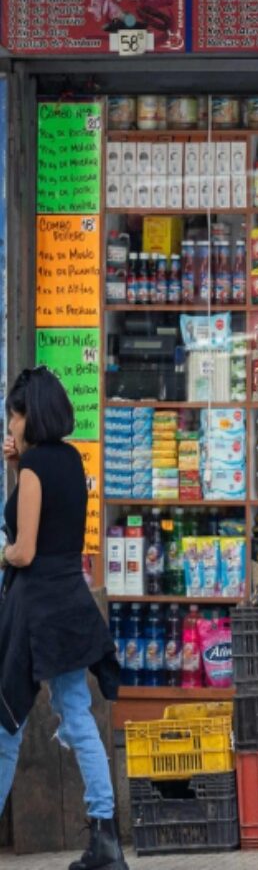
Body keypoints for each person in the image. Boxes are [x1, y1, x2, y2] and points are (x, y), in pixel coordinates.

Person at [0, 368, 126, 870]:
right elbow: (48, 523)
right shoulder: (71, 461)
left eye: (13, 414)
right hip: (70, 603)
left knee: (6, 722)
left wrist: (2, 553)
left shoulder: (35, 470)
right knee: (78, 715)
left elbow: (26, 548)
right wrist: (17, 467)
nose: (9, 425)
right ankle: (107, 838)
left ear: (32, 415)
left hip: (37, 614)